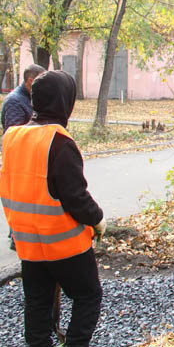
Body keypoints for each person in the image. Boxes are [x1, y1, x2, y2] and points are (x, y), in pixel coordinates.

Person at [0, 70, 106, 347]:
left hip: (27, 243)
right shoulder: (60, 143)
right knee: (88, 296)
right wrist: (97, 218)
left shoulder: (11, 137)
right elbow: (76, 197)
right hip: (64, 244)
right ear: (64, 101)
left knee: (37, 302)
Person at [2, 63, 45, 250]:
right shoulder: (15, 101)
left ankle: (22, 235)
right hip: (19, 162)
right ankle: (17, 237)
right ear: (30, 80)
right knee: (21, 200)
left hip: (29, 159)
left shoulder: (28, 98)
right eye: (40, 81)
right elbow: (14, 134)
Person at [1, 63, 46, 132]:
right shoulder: (14, 101)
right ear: (31, 81)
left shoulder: (33, 96)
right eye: (43, 82)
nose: (45, 85)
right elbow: (14, 134)